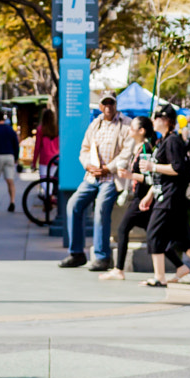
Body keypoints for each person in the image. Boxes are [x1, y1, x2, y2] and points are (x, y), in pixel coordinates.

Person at [143, 105, 190, 289]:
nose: (153, 122)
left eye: (155, 118)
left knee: (154, 234)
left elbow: (178, 168)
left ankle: (159, 277)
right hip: (169, 196)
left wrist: (152, 167)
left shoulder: (172, 142)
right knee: (183, 239)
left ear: (165, 120)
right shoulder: (165, 141)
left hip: (170, 197)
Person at [61, 94, 132, 270]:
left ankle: (102, 256)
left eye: (111, 103)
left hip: (111, 178)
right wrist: (88, 165)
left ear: (116, 104)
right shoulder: (95, 124)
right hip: (92, 177)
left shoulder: (126, 124)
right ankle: (76, 253)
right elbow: (84, 149)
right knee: (73, 205)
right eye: (105, 103)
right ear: (100, 106)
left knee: (101, 208)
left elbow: (127, 153)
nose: (108, 106)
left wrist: (108, 168)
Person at [103, 116, 159, 281]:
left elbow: (150, 178)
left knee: (123, 228)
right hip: (141, 198)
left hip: (143, 197)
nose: (129, 129)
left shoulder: (145, 150)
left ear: (141, 131)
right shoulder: (139, 147)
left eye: (132, 127)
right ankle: (178, 266)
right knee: (152, 233)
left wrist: (129, 175)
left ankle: (118, 269)